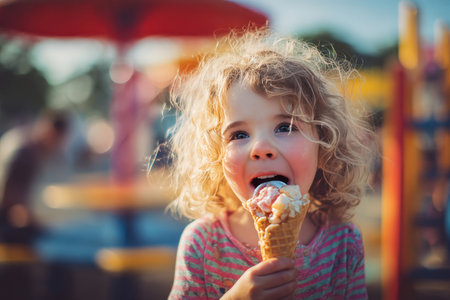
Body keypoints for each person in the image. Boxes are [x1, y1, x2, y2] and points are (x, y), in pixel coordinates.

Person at [166, 28, 374, 299]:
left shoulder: (344, 245)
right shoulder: (202, 244)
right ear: (215, 156)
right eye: (239, 134)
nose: (261, 149)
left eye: (285, 127)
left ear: (324, 144)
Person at [0, 110, 70, 245]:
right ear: (52, 133)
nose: (58, 146)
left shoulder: (25, 140)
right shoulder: (26, 152)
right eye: (59, 141)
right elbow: (9, 200)